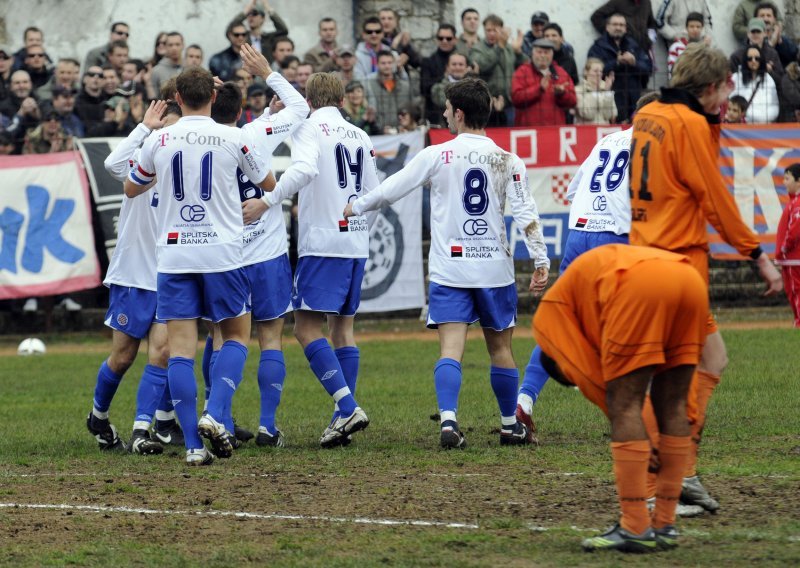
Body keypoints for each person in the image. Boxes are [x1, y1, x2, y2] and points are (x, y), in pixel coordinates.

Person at [344, 77, 550, 448]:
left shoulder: (438, 154)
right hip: (493, 268)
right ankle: (509, 425)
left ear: (458, 113)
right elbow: (526, 212)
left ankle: (449, 422)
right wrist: (540, 258)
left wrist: (357, 205)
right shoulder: (508, 159)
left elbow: (393, 187)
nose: (443, 114)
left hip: (450, 267)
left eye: (446, 108)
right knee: (500, 348)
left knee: (450, 348)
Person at [629, 42, 783, 511]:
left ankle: (680, 473)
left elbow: (690, 167)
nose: (728, 97)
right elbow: (714, 196)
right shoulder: (690, 123)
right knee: (679, 381)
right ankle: (667, 482)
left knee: (708, 362)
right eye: (725, 90)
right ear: (712, 87)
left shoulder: (649, 112)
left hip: (646, 257)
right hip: (679, 266)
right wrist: (756, 252)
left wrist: (713, 122)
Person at [123, 66, 275, 466]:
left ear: (176, 98)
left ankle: (192, 445)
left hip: (174, 254)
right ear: (212, 94)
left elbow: (131, 186)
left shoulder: (159, 138)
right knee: (237, 335)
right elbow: (270, 183)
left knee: (180, 352)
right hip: (221, 252)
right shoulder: (234, 136)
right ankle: (214, 411)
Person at [534, 244, 709, 552]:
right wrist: (669, 430)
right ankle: (665, 524)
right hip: (687, 276)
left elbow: (603, 389)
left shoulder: (548, 324)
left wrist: (646, 435)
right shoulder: (579, 300)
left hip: (637, 283)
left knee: (622, 403)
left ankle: (635, 527)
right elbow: (682, 407)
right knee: (674, 405)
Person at [257, 72, 373, 448]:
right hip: (355, 242)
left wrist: (269, 199)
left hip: (322, 242)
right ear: (342, 99)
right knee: (343, 331)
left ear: (308, 100)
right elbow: (373, 192)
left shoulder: (308, 128)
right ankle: (342, 421)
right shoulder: (360, 135)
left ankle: (348, 405)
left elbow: (304, 170)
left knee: (305, 329)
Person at [209, 45, 310, 447]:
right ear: (239, 111)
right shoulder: (255, 134)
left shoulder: (198, 140)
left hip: (223, 254)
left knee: (221, 338)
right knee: (271, 337)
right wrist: (268, 72)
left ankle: (220, 418)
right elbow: (300, 107)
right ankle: (268, 425)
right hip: (266, 252)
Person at [86, 100, 183, 455]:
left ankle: (142, 430)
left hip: (170, 271)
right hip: (133, 273)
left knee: (163, 351)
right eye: (164, 128)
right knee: (123, 356)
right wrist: (144, 127)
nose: (168, 135)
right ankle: (98, 416)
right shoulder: (142, 155)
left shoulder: (182, 164)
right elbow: (111, 164)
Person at [587, 13, 652, 123]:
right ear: (607, 27)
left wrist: (634, 63)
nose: (618, 27)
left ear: (626, 28)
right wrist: (616, 62)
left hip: (634, 99)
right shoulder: (597, 47)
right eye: (615, 24)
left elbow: (648, 68)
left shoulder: (635, 46)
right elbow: (593, 72)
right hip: (609, 101)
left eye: (621, 25)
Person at [469, 14, 525, 125]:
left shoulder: (508, 47)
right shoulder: (477, 48)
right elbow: (483, 65)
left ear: (501, 30)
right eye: (488, 30)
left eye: (495, 30)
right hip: (486, 103)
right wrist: (499, 47)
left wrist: (519, 52)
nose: (491, 34)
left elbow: (524, 66)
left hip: (508, 102)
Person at [511, 38, 576, 126]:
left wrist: (562, 93)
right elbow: (516, 99)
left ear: (552, 55)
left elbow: (573, 101)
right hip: (528, 130)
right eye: (539, 52)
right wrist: (539, 89)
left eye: (546, 52)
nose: (542, 55)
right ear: (532, 54)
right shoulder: (522, 71)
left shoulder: (561, 73)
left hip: (554, 130)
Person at [364, 51, 414, 134]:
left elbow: (409, 109)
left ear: (394, 64)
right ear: (377, 65)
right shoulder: (368, 84)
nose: (387, 66)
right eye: (383, 63)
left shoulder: (404, 86)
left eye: (390, 63)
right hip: (377, 133)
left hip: (400, 132)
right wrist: (380, 129)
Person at [776, 163, 800, 327]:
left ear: (798, 181)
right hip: (793, 257)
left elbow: (795, 228)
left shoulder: (797, 204)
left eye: (787, 178)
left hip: (793, 258)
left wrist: (784, 247)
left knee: (795, 290)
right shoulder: (794, 202)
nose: (784, 182)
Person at [421, 24, 459, 126]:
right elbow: (424, 88)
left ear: (455, 39)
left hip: (460, 114)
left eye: (448, 38)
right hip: (436, 114)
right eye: (441, 38)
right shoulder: (428, 62)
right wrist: (444, 77)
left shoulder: (463, 59)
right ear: (436, 40)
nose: (444, 41)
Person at [731, 44, 779, 123]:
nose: (753, 61)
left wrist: (761, 118)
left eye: (757, 58)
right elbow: (731, 104)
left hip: (762, 127)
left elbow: (775, 107)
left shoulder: (768, 80)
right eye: (750, 58)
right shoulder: (736, 78)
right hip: (740, 127)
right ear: (745, 60)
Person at [729, 18, 783, 84]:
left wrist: (770, 72)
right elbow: (731, 80)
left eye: (758, 31)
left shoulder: (772, 54)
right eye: (753, 32)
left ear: (765, 33)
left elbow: (780, 80)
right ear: (748, 33)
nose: (755, 34)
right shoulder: (736, 56)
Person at [591, 0, 658, 52]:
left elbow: (652, 24)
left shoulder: (646, 2)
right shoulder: (619, 1)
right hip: (624, 50)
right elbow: (596, 17)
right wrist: (613, 34)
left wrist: (649, 39)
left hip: (643, 51)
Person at [431, 52, 471, 126]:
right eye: (454, 64)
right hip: (444, 128)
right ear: (447, 67)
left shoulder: (475, 87)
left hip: (468, 127)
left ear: (467, 67)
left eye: (461, 64)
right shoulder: (437, 88)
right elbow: (441, 102)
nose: (457, 67)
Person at [573, 57, 617, 124]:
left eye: (601, 71)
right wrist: (595, 92)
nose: (599, 74)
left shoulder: (605, 88)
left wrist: (607, 92)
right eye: (595, 71)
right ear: (586, 72)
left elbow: (610, 115)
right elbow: (588, 114)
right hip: (586, 131)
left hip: (603, 131)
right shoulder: (578, 90)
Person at [667, 12, 709, 78]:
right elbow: (672, 71)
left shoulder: (706, 48)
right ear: (686, 28)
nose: (695, 29)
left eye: (698, 27)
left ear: (702, 28)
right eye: (691, 26)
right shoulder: (677, 46)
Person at [755, 2, 797, 68]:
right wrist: (771, 43)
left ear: (774, 19)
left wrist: (780, 43)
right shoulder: (751, 41)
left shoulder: (784, 41)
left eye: (768, 16)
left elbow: (794, 56)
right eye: (762, 16)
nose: (765, 19)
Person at [150, 32, 183, 96]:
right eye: (170, 45)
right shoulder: (156, 71)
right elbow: (154, 99)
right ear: (166, 47)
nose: (174, 48)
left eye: (177, 44)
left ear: (183, 45)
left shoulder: (189, 68)